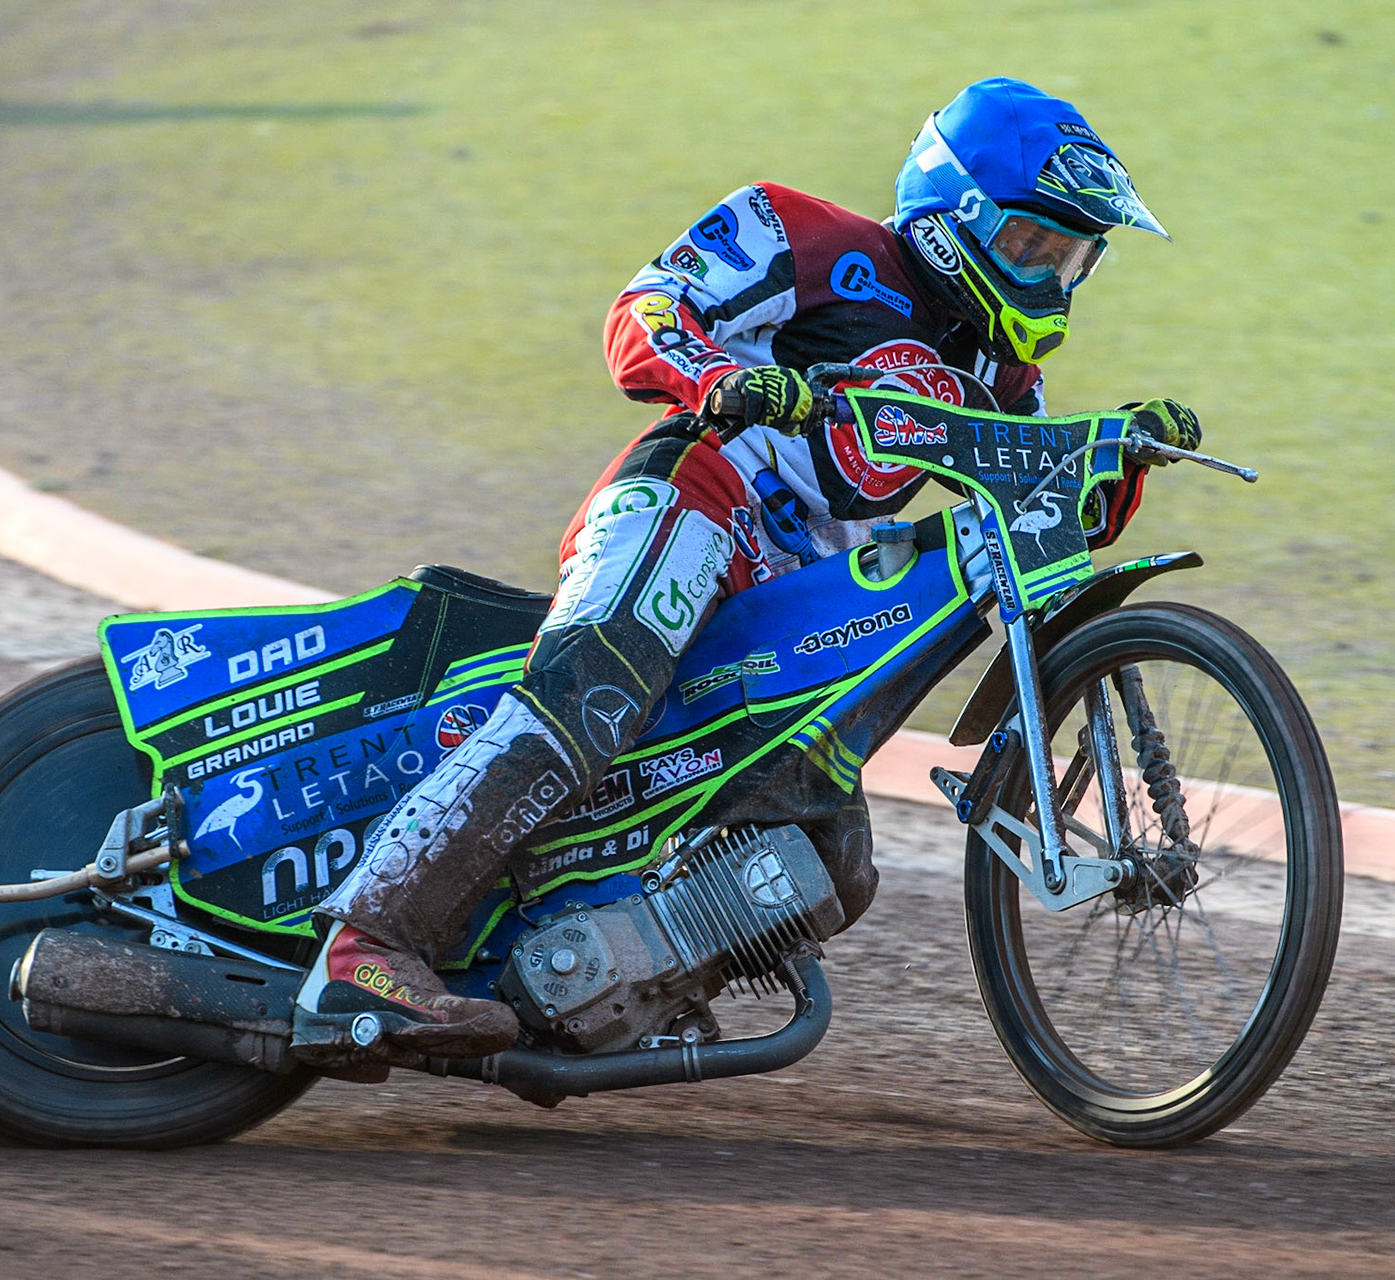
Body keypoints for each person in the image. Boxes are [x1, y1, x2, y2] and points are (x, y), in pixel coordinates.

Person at [295, 77, 1204, 1062]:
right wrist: (716, 378)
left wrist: (1120, 458)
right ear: (962, 218)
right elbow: (642, 310)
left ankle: (615, 976)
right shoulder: (806, 235)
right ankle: (369, 942)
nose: (1053, 277)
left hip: (798, 588)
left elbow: (1043, 512)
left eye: (1074, 258)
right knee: (593, 690)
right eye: (1036, 246)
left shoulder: (1003, 374)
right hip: (690, 497)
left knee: (835, 853)